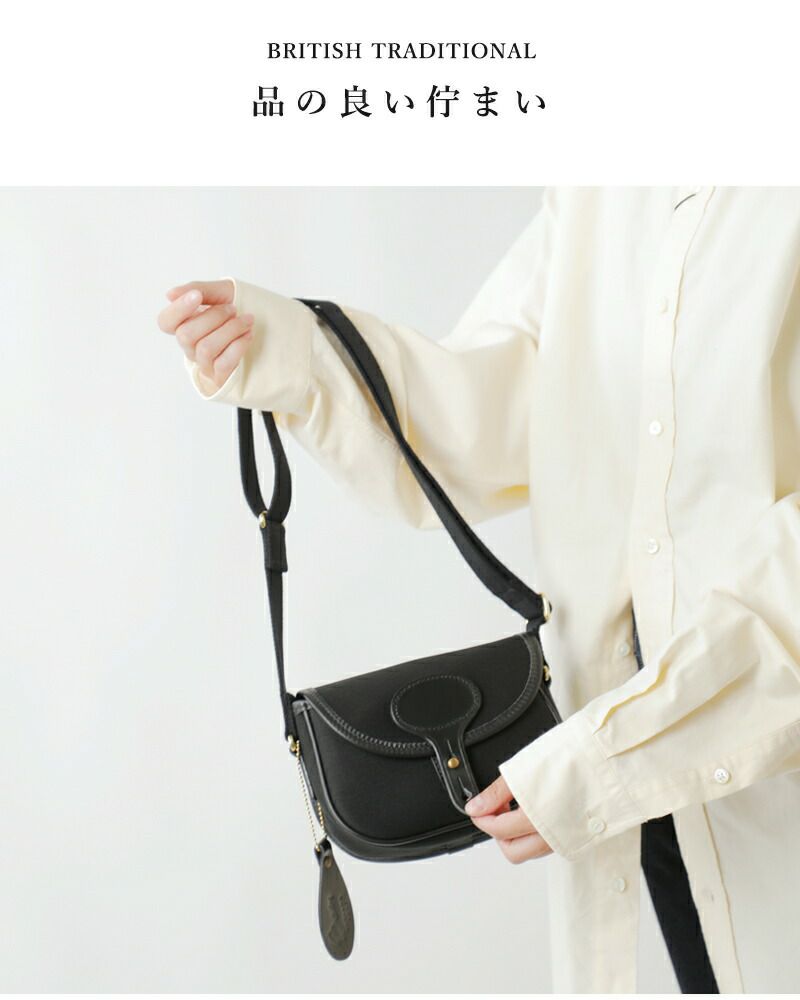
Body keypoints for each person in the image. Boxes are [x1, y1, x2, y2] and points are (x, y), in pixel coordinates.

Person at [157, 187, 800, 994]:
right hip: (646, 770)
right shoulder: (605, 186)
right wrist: (295, 350)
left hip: (709, 756)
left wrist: (606, 763)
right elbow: (494, 408)